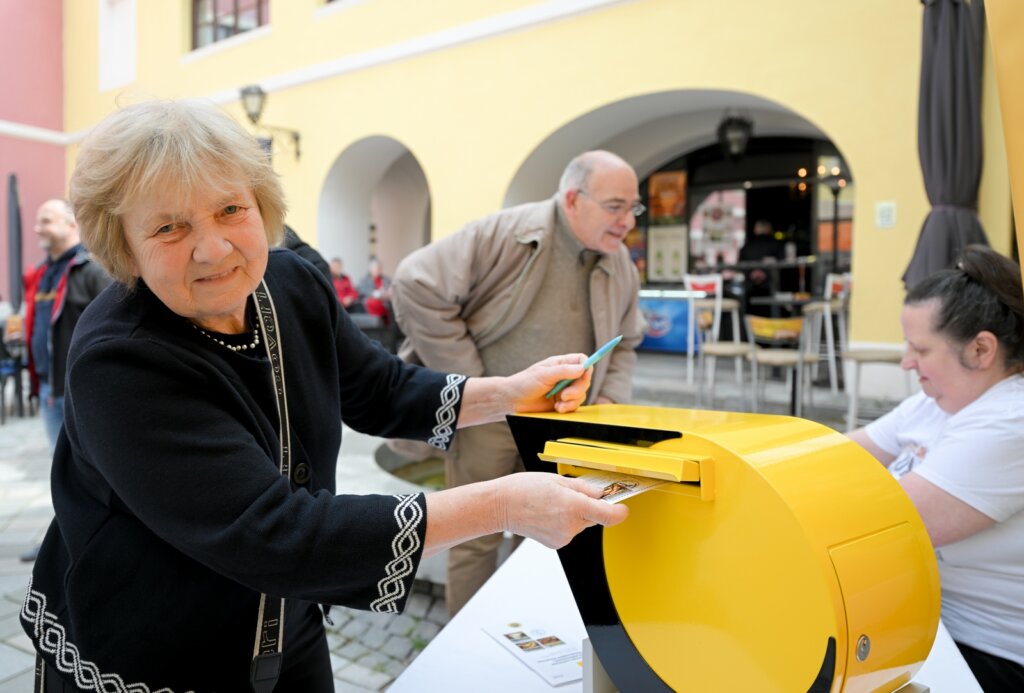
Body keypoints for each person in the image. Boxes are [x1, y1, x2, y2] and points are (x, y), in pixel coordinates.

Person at [19, 99, 628, 691]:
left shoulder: (288, 280)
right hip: (155, 648)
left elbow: (378, 388)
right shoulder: (120, 358)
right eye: (169, 226)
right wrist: (503, 506)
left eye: (230, 208)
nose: (212, 247)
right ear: (123, 244)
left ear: (262, 206)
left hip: (288, 621)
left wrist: (512, 392)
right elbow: (274, 534)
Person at [391, 149, 645, 615]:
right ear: (573, 199)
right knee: (475, 538)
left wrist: (608, 396)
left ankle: (524, 638)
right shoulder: (506, 232)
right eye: (616, 206)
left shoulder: (619, 259)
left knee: (553, 534)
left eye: (634, 207)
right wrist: (477, 385)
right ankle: (466, 653)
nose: (628, 220)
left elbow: (628, 338)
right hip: (489, 418)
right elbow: (414, 282)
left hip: (563, 425)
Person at [847, 245, 1024, 692]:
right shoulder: (939, 400)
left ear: (981, 349)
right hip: (921, 623)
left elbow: (885, 529)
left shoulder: (1011, 418)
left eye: (920, 349)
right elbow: (836, 456)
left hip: (987, 651)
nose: (907, 362)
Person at [20, 199, 112, 563]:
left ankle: (86, 544)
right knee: (62, 473)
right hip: (49, 388)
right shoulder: (45, 271)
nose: (38, 228)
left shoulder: (91, 269)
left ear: (71, 224)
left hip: (79, 391)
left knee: (89, 473)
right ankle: (62, 544)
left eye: (46, 221)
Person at [738, 219, 783, 315]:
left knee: (751, 314)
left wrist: (752, 273)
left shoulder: (747, 246)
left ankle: (749, 329)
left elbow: (740, 264)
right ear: (769, 229)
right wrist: (765, 273)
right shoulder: (776, 244)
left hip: (751, 288)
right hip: (771, 288)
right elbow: (783, 263)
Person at [357, 256, 392, 324]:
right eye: (376, 268)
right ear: (370, 269)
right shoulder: (364, 280)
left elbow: (392, 288)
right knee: (373, 303)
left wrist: (387, 293)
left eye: (379, 268)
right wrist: (376, 294)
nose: (378, 270)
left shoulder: (386, 279)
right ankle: (381, 322)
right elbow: (361, 291)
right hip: (372, 301)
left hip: (386, 301)